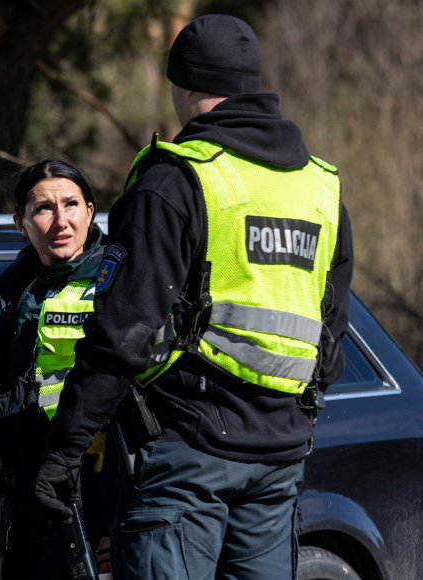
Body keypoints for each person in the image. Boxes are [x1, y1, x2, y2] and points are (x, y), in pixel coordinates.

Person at [34, 14, 353, 580]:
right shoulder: (320, 187)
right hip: (280, 455)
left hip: (187, 455)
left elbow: (121, 334)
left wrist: (65, 449)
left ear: (181, 85)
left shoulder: (175, 182)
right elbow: (329, 338)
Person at [0, 159, 111, 580]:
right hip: (25, 508)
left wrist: (117, 525)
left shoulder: (116, 286)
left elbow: (141, 413)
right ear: (20, 223)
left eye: (72, 204)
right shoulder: (2, 298)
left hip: (94, 502)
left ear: (90, 211)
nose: (61, 220)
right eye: (43, 208)